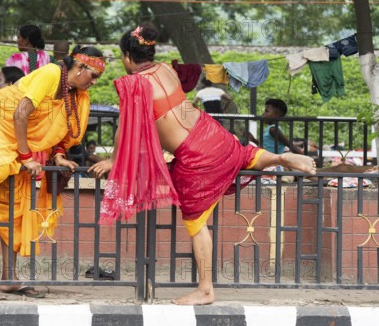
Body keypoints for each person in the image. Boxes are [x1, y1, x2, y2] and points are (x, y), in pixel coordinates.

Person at [89, 24, 316, 305]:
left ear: (126, 56)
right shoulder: (165, 70)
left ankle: (206, 289)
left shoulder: (134, 83)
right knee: (243, 155)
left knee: (196, 222)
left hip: (196, 155)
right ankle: (279, 158)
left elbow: (125, 127)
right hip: (212, 133)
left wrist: (114, 159)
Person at [0, 45, 105, 296]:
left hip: (18, 135)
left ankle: (9, 278)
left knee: (14, 206)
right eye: (93, 76)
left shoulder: (77, 95)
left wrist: (58, 156)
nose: (94, 82)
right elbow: (21, 112)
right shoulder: (50, 73)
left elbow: (62, 130)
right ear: (80, 67)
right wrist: (26, 157)